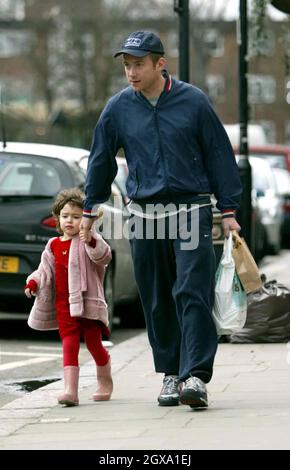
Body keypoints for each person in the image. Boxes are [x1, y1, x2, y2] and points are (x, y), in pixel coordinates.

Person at [81, 31, 242, 409]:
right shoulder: (118, 108)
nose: (131, 72)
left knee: (192, 291)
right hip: (145, 215)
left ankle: (196, 377)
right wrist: (90, 207)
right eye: (126, 66)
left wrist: (230, 210)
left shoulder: (193, 102)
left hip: (190, 209)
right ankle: (171, 373)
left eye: (138, 64)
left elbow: (219, 154)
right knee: (155, 298)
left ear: (160, 63)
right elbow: (100, 158)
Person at [24, 188, 113, 407]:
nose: (70, 221)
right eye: (65, 216)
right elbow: (44, 271)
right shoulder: (53, 245)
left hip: (87, 302)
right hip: (64, 305)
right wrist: (33, 283)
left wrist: (91, 239)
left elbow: (104, 256)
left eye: (75, 217)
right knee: (69, 344)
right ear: (58, 218)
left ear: (84, 219)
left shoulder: (88, 240)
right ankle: (70, 390)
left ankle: (105, 382)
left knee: (94, 344)